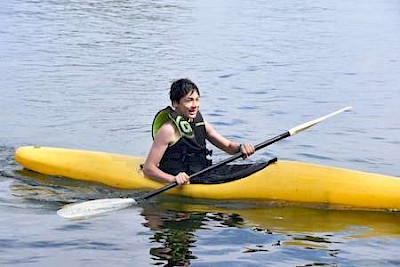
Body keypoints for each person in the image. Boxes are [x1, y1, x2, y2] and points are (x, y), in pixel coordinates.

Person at [142, 78, 255, 185]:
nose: (194, 105)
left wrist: (241, 148)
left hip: (203, 173)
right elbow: (148, 169)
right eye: (189, 100)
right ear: (175, 103)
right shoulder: (168, 130)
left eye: (197, 99)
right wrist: (173, 179)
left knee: (252, 169)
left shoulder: (201, 124)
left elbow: (229, 146)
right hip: (182, 179)